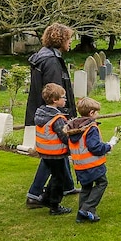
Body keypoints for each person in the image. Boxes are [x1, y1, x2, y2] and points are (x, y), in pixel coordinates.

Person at [25, 23, 77, 208]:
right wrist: (64, 115)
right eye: (69, 38)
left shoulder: (45, 56)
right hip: (52, 115)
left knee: (58, 151)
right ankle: (34, 193)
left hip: (44, 112)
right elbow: (55, 93)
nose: (71, 42)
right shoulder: (51, 61)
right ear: (60, 39)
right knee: (51, 155)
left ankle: (68, 186)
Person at [65, 97, 119, 223]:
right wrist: (109, 146)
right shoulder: (91, 128)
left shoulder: (74, 127)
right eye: (97, 112)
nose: (98, 114)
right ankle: (87, 208)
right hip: (92, 164)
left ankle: (81, 215)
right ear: (91, 113)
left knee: (86, 188)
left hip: (79, 165)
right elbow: (95, 147)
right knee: (102, 183)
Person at [34, 83, 74, 215]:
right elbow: (64, 136)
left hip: (44, 152)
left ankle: (45, 199)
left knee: (55, 176)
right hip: (56, 153)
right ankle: (55, 206)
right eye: (63, 97)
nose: (65, 99)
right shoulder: (57, 118)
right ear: (55, 100)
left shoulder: (40, 113)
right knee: (59, 179)